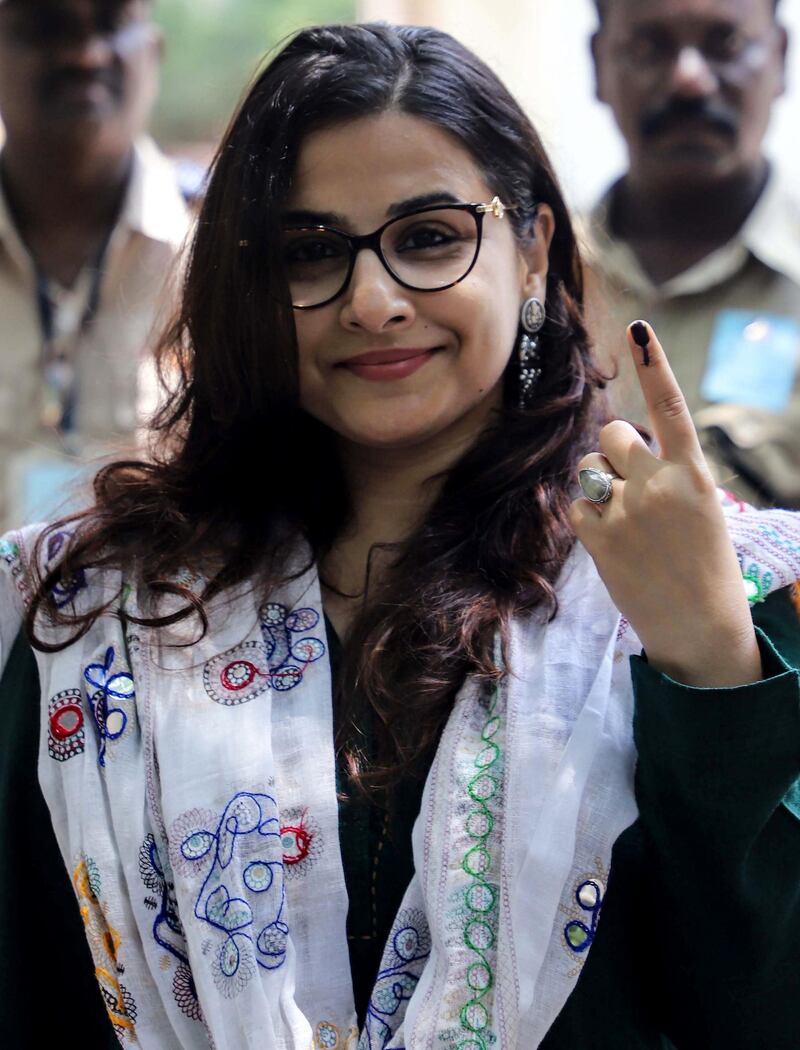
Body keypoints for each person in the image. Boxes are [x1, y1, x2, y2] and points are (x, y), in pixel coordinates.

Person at [1, 21, 799, 1050]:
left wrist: (711, 668)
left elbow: (763, 1005)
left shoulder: (704, 593)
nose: (371, 301)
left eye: (428, 237)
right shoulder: (98, 613)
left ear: (531, 251)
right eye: (309, 251)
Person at [583, 0, 800, 508]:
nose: (689, 79)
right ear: (598, 64)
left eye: (725, 44)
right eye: (647, 46)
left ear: (782, 58)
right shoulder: (530, 274)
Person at [0, 0, 193, 530]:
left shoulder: (223, 256)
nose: (85, 56)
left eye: (111, 23)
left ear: (154, 51)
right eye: (46, 27)